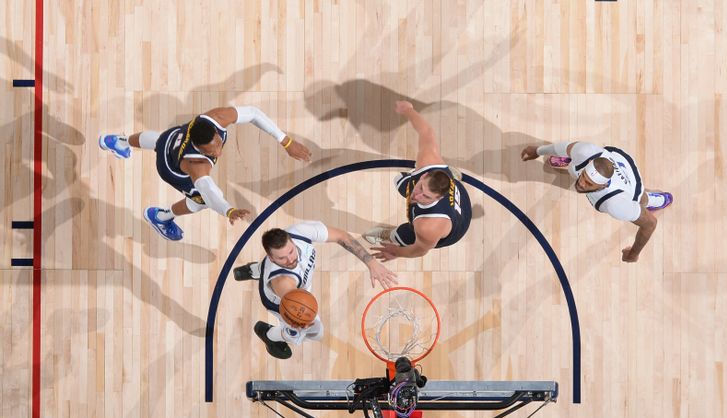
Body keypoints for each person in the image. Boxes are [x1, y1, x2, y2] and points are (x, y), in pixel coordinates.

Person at [99, 106, 312, 241]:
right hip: (170, 168)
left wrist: (286, 141)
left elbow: (254, 113)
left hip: (171, 138)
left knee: (159, 139)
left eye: (218, 144)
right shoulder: (197, 165)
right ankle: (160, 217)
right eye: (212, 151)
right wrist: (228, 210)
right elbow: (211, 194)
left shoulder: (215, 118)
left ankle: (117, 141)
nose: (218, 151)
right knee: (200, 201)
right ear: (199, 148)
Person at [234, 220, 398, 359]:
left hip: (293, 286)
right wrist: (300, 320)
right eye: (281, 258)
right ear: (271, 257)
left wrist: (372, 263)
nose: (290, 259)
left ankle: (256, 269)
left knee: (271, 268)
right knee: (315, 333)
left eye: (290, 251)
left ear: (290, 239)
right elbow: (295, 303)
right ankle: (269, 335)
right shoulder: (282, 280)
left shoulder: (300, 232)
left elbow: (342, 236)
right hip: (280, 302)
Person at [521, 141, 673, 263]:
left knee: (640, 198)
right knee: (574, 168)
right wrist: (538, 150)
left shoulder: (616, 204)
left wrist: (633, 254)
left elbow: (650, 224)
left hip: (627, 171)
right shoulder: (585, 152)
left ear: (603, 185)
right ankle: (569, 162)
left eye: (589, 183)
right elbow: (563, 146)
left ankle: (659, 199)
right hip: (611, 155)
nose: (581, 184)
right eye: (584, 177)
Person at [365, 101, 472, 260]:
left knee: (401, 236)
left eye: (426, 197)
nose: (417, 196)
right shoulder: (428, 161)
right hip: (453, 195)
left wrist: (396, 252)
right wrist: (409, 110)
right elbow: (426, 132)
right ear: (423, 176)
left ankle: (388, 234)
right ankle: (452, 177)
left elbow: (418, 251)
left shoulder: (428, 226)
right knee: (399, 180)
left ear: (439, 197)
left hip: (456, 225)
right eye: (421, 187)